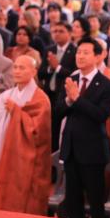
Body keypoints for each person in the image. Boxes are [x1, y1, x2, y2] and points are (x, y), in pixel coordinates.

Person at [57, 38, 110, 218]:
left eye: (85, 52)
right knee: (73, 202)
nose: (80, 56)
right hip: (71, 149)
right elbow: (57, 111)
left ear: (97, 56)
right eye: (78, 52)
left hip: (93, 152)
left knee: (96, 202)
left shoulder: (106, 84)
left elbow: (101, 115)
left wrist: (77, 99)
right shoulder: (71, 79)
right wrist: (68, 100)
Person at [0, 55, 52, 215]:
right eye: (15, 67)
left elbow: (38, 132)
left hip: (28, 157)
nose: (17, 71)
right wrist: (12, 110)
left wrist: (15, 111)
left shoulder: (40, 99)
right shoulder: (5, 96)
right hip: (5, 149)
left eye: (22, 68)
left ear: (34, 71)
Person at [38, 22, 77, 151]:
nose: (57, 34)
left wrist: (58, 68)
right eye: (55, 31)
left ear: (70, 33)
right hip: (49, 94)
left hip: (64, 95)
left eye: (61, 31)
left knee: (59, 128)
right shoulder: (49, 49)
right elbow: (41, 73)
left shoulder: (75, 51)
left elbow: (74, 74)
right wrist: (50, 68)